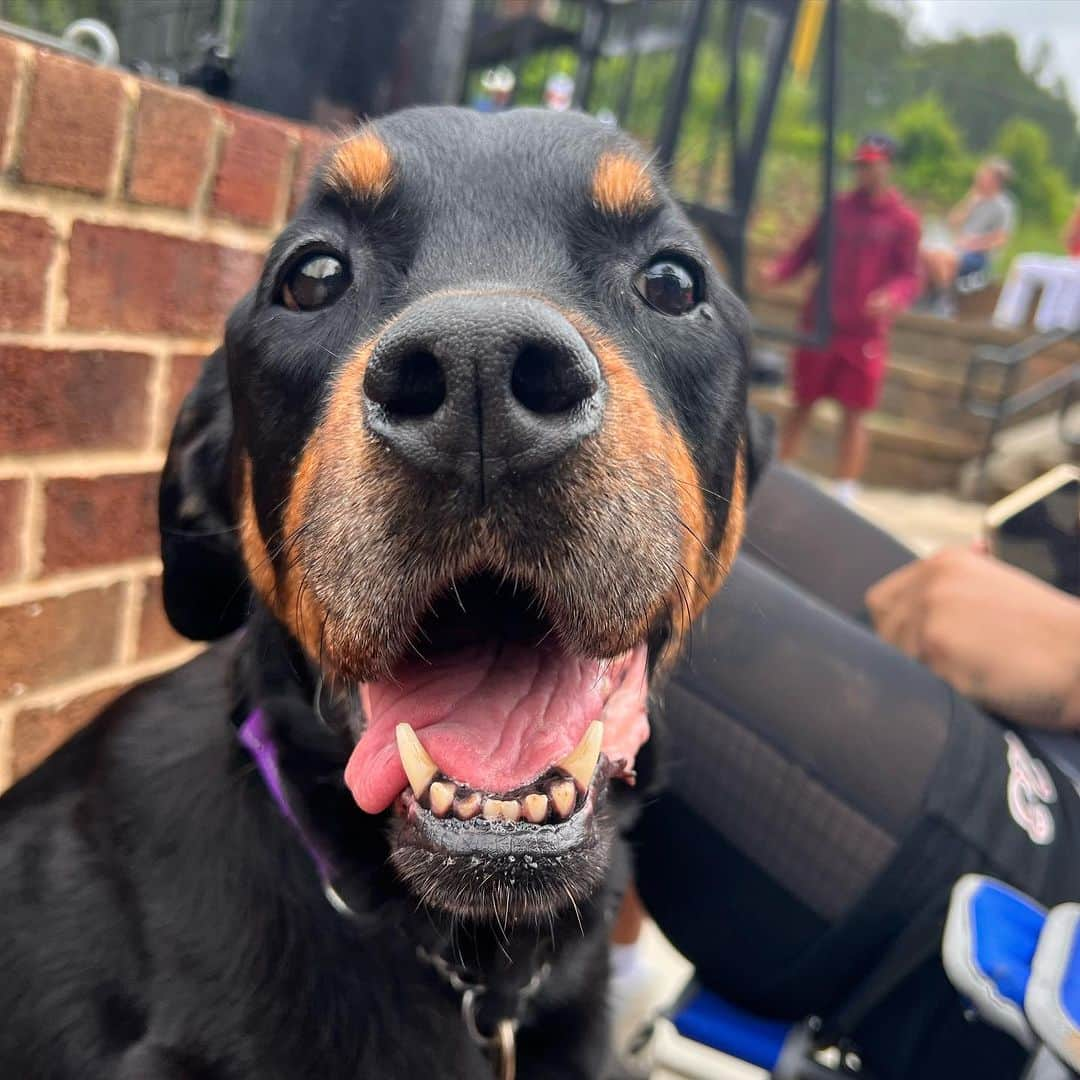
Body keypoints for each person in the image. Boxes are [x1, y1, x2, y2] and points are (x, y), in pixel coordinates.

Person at [626, 465, 1080, 1080]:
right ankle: (612, 967)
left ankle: (591, 992)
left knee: (622, 550)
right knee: (705, 472)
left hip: (1037, 928)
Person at [762, 134, 921, 506]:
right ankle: (779, 469)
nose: (864, 172)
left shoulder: (903, 222)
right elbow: (805, 251)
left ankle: (845, 488)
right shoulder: (838, 209)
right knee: (802, 401)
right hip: (820, 325)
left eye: (871, 165)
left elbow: (910, 275)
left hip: (863, 333)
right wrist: (777, 272)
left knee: (856, 413)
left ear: (888, 167)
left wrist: (891, 297)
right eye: (860, 165)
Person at [922, 157, 1018, 312]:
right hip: (958, 248)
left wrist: (973, 244)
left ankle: (945, 300)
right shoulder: (975, 199)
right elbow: (952, 221)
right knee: (929, 254)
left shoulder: (1005, 206)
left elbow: (1001, 239)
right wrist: (970, 199)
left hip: (979, 256)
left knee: (943, 259)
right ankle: (936, 297)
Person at [993, 198, 1080, 333]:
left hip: (1074, 268)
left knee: (1065, 276)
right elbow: (1068, 240)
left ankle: (1052, 329)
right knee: (1023, 263)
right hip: (1072, 263)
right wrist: (1077, 215)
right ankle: (1007, 321)